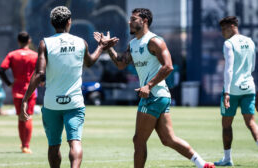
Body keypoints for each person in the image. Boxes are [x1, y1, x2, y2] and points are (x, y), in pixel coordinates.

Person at [94, 8, 214, 168]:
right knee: (168, 139)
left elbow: (168, 66)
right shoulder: (133, 44)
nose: (129, 22)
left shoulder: (155, 41)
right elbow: (121, 64)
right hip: (158, 96)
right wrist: (107, 47)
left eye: (133, 19)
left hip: (154, 95)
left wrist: (148, 86)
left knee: (138, 140)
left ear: (144, 21)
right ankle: (203, 164)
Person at [20, 6, 118, 168]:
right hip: (74, 103)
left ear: (52, 23)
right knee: (75, 142)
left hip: (52, 104)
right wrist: (101, 46)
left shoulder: (45, 43)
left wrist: (25, 99)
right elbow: (90, 62)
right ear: (69, 22)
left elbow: (39, 74)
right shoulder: (81, 42)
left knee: (53, 145)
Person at [214, 16, 258, 166]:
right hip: (249, 87)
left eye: (224, 28)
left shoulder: (228, 43)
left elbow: (229, 69)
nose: (222, 32)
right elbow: (252, 67)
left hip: (232, 90)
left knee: (226, 125)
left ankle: (227, 159)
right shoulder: (250, 41)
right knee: (251, 123)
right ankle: (227, 159)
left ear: (233, 26)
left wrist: (226, 92)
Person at [0, 31, 38, 154]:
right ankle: (26, 145)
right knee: (28, 116)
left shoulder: (12, 55)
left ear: (18, 41)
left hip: (17, 89)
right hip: (30, 89)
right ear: (29, 41)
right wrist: (41, 81)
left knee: (21, 117)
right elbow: (41, 70)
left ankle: (23, 145)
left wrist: (9, 83)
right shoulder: (35, 55)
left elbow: (1, 70)